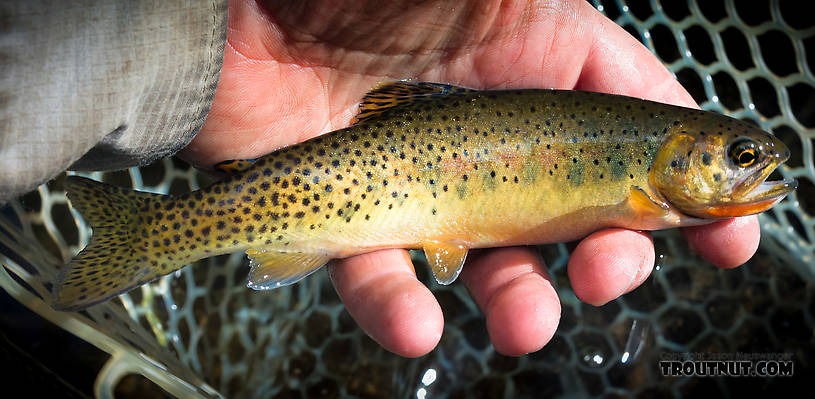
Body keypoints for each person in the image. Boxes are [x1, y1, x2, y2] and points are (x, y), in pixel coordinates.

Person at [2, 0, 760, 357]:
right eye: (738, 157)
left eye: (743, 159)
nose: (747, 170)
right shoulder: (639, 182)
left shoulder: (645, 166)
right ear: (686, 148)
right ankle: (151, 234)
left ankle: (146, 233)